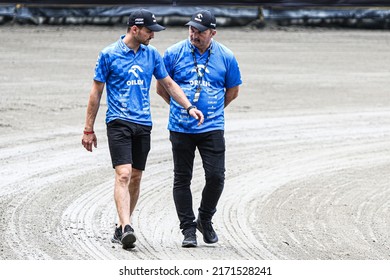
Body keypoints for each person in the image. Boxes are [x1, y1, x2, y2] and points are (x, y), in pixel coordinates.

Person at [81, 9, 204, 250]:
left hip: (143, 124)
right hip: (118, 121)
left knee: (136, 177)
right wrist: (88, 128)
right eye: (149, 31)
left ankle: (120, 226)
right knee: (124, 174)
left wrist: (189, 107)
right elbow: (96, 91)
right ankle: (127, 227)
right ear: (134, 29)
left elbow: (168, 83)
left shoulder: (152, 55)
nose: (153, 36)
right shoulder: (108, 54)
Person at [156, 10, 242, 247]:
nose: (194, 34)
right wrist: (181, 108)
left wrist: (214, 110)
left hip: (212, 127)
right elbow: (162, 88)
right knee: (182, 178)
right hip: (181, 127)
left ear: (212, 32)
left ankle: (204, 218)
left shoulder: (226, 56)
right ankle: (188, 230)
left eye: (200, 31)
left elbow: (232, 91)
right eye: (191, 29)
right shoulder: (173, 53)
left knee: (216, 176)